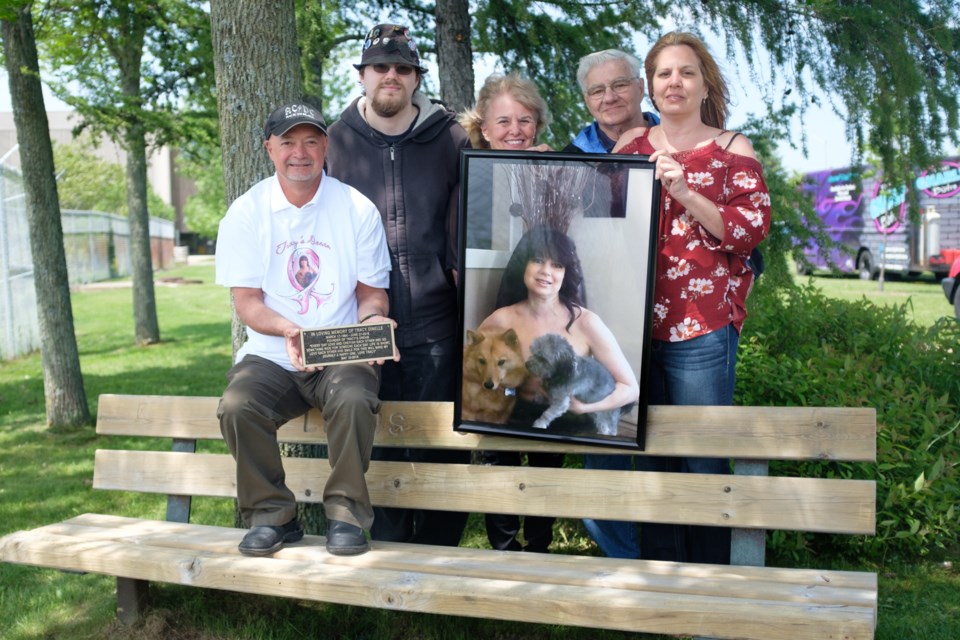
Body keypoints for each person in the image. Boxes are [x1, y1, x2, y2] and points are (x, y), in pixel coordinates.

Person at [584, 31, 772, 564]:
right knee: (651, 457)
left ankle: (712, 581)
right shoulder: (629, 149)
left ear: (704, 82)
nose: (674, 82)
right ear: (651, 85)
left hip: (702, 328)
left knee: (703, 459)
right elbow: (599, 234)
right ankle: (665, 581)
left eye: (686, 72)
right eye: (663, 73)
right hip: (633, 327)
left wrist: (686, 191)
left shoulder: (733, 149)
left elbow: (748, 233)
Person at [215, 101, 394, 558]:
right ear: (269, 149)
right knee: (238, 405)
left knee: (354, 398)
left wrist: (374, 321)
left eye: (311, 140)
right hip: (274, 353)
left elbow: (372, 293)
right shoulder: (246, 211)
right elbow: (247, 303)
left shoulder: (356, 208)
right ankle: (272, 516)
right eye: (288, 142)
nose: (300, 152)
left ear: (326, 147)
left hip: (339, 348)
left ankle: (346, 516)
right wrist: (287, 329)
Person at [326, 23, 470, 547]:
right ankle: (385, 562)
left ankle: (438, 556)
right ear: (362, 75)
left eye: (403, 68)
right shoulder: (334, 143)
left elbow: (472, 222)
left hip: (437, 321)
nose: (392, 76)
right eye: (380, 67)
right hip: (359, 325)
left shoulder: (450, 137)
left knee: (440, 442)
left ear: (415, 79)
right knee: (376, 445)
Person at [477, 227, 639, 551]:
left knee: (546, 463)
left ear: (566, 273)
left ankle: (538, 548)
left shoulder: (585, 322)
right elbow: (473, 371)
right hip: (512, 414)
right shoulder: (499, 319)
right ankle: (504, 552)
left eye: (557, 265)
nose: (546, 272)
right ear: (523, 265)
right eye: (538, 261)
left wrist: (585, 408)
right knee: (494, 451)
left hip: (563, 420)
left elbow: (629, 387)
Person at [459, 73, 566, 553]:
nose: (516, 129)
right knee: (496, 433)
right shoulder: (464, 167)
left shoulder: (554, 166)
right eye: (504, 120)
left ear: (538, 124)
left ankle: (540, 542)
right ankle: (504, 544)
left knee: (543, 431)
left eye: (525, 120)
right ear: (484, 126)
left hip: (542, 290)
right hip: (492, 288)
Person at [563, 49, 660, 154]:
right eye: (597, 91)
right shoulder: (570, 160)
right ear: (587, 101)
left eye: (619, 85)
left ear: (640, 88)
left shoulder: (677, 138)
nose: (609, 98)